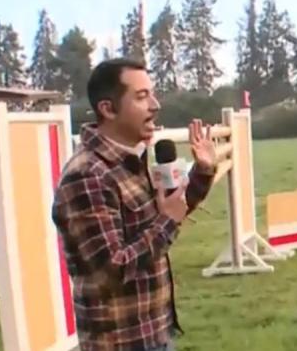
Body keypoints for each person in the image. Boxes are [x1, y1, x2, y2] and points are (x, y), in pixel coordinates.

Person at [52, 58, 217, 350]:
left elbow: (167, 212)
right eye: (141, 97)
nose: (155, 105)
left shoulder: (129, 159)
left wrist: (202, 171)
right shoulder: (87, 176)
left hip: (154, 333)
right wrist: (168, 222)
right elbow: (112, 270)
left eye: (152, 94)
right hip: (122, 342)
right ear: (108, 109)